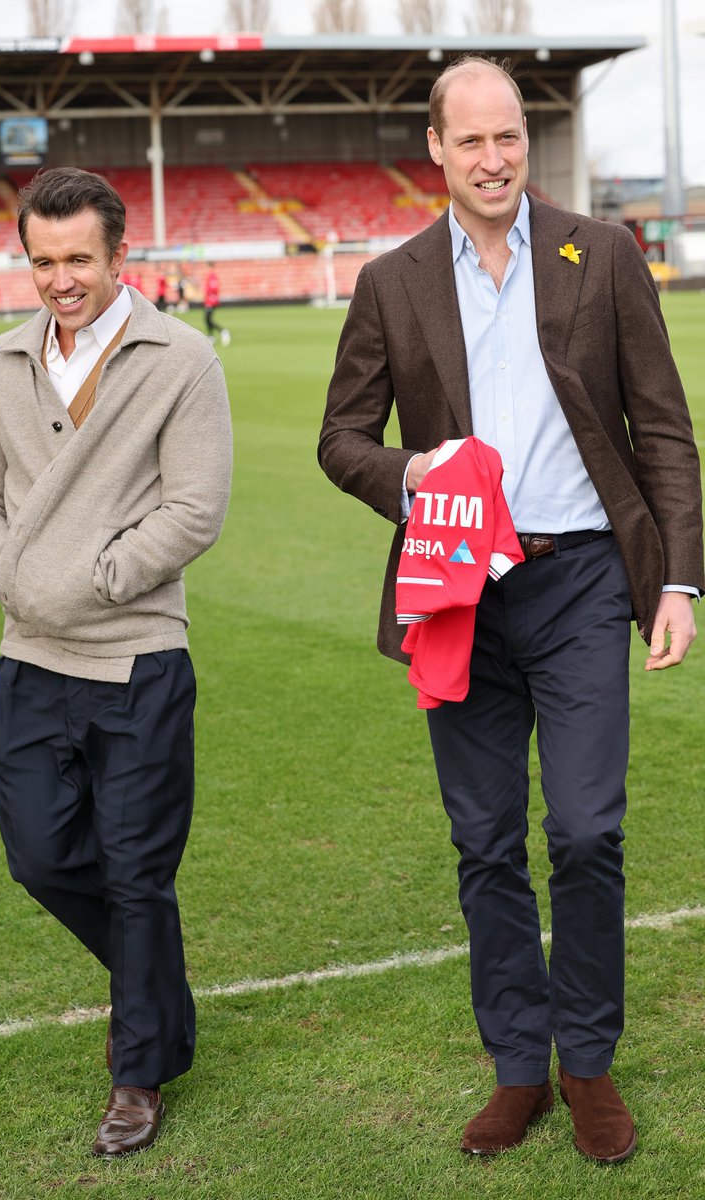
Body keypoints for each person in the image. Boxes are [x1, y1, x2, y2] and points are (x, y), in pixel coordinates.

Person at [318, 56, 703, 1164]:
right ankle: (518, 1069)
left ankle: (586, 1063)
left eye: (508, 139)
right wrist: (414, 470)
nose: (492, 160)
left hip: (583, 577)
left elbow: (662, 428)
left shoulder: (603, 252)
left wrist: (674, 579)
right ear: (432, 150)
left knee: (585, 830)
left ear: (522, 145)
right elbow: (340, 440)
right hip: (457, 595)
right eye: (469, 141)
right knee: (483, 843)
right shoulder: (391, 281)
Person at [0, 167, 232, 1159]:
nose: (60, 278)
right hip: (29, 654)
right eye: (42, 260)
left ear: (118, 257)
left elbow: (195, 507)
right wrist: (19, 577)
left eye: (77, 259)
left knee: (137, 875)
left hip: (139, 658)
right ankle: (155, 993)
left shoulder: (179, 359)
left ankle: (137, 1071)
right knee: (38, 855)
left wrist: (101, 577)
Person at [202, 264, 230, 346]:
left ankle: (223, 331)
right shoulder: (210, 277)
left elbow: (213, 290)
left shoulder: (213, 277)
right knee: (207, 319)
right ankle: (211, 336)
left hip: (211, 301)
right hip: (209, 300)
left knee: (207, 319)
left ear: (210, 268)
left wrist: (210, 301)